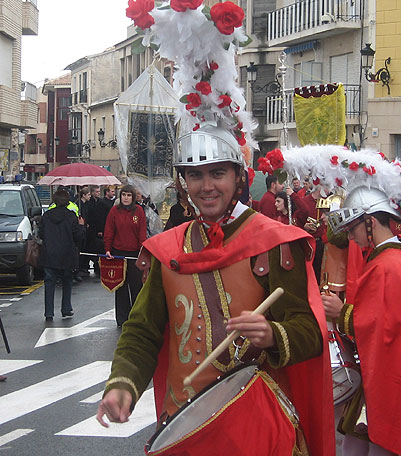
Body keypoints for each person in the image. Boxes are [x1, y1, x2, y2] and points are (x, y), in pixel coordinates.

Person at [96, 125, 333, 455]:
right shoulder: (168, 250)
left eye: (217, 173)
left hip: (257, 427)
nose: (206, 186)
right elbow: (142, 330)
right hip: (186, 426)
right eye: (195, 176)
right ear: (184, 183)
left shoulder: (275, 244)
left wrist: (271, 334)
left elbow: (310, 332)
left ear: (237, 176)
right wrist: (124, 383)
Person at [323, 185, 401, 456]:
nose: (351, 237)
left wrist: (341, 313)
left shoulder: (388, 266)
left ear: (370, 222)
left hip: (392, 373)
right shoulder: (396, 258)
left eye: (353, 230)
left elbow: (380, 326)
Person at [103, 185, 147, 327]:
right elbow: (109, 231)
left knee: (137, 286)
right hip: (118, 253)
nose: (126, 198)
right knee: (120, 287)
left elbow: (142, 232)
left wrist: (143, 251)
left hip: (134, 253)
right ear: (120, 197)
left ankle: (136, 317)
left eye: (128, 195)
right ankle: (122, 319)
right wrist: (108, 249)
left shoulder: (139, 211)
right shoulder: (114, 211)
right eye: (123, 195)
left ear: (133, 197)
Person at [39, 189, 86, 321]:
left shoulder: (46, 216)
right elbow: (78, 236)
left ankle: (49, 312)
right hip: (67, 253)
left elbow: (41, 234)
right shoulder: (71, 216)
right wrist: (82, 226)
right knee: (67, 281)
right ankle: (66, 308)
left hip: (50, 253)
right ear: (67, 202)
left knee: (49, 283)